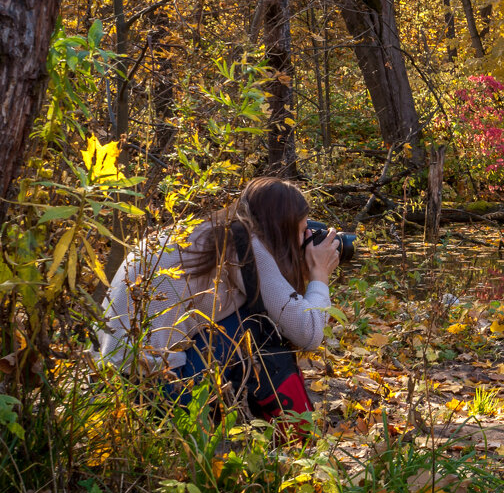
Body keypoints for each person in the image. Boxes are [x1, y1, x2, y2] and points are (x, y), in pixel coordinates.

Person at [96, 177, 341, 422]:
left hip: (109, 381)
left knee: (253, 314)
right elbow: (308, 333)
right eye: (300, 231)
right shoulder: (245, 244)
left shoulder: (210, 231)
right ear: (280, 228)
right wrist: (319, 274)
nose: (302, 242)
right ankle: (290, 422)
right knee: (258, 323)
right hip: (155, 393)